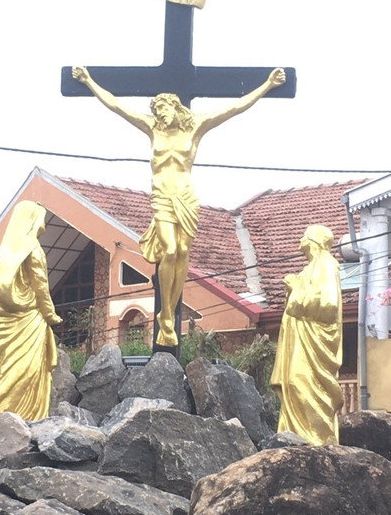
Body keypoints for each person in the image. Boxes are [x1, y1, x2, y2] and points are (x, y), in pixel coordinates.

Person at [72, 65, 286, 348]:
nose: (160, 115)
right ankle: (166, 316)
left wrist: (267, 85)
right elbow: (116, 106)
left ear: (175, 107)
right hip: (161, 197)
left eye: (164, 110)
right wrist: (89, 81)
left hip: (186, 197)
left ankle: (170, 311)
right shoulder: (152, 128)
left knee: (183, 251)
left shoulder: (196, 126)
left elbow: (235, 108)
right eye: (157, 111)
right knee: (170, 250)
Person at [0, 200, 62, 419]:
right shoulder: (33, 249)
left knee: (1, 369)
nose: (44, 224)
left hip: (8, 320)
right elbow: (40, 286)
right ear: (32, 219)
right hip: (28, 321)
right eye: (42, 218)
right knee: (25, 370)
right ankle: (22, 417)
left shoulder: (6, 252)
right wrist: (51, 315)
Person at [270, 224, 343, 445]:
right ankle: (295, 437)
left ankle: (318, 442)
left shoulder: (327, 265)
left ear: (314, 240)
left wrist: (296, 290)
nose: (300, 238)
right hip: (300, 342)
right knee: (292, 384)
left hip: (315, 344)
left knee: (299, 382)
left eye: (305, 235)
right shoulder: (309, 269)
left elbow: (329, 305)